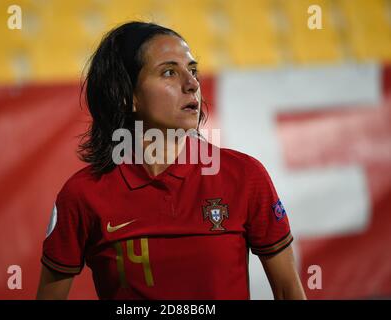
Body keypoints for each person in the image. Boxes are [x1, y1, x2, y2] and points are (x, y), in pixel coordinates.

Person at [36, 21, 306, 300]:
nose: (192, 85)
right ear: (128, 95)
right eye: (169, 72)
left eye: (192, 71)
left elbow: (288, 291)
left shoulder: (245, 176)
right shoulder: (82, 195)